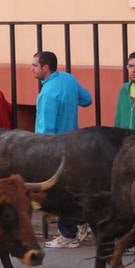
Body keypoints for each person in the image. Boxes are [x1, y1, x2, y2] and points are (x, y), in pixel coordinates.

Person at [33, 50, 92, 248]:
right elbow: (87, 100)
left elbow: (46, 131)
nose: (32, 69)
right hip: (74, 144)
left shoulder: (47, 94)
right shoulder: (69, 79)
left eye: (35, 66)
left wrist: (39, 156)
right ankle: (82, 221)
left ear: (45, 68)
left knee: (59, 193)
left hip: (55, 150)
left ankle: (68, 234)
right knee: (73, 188)